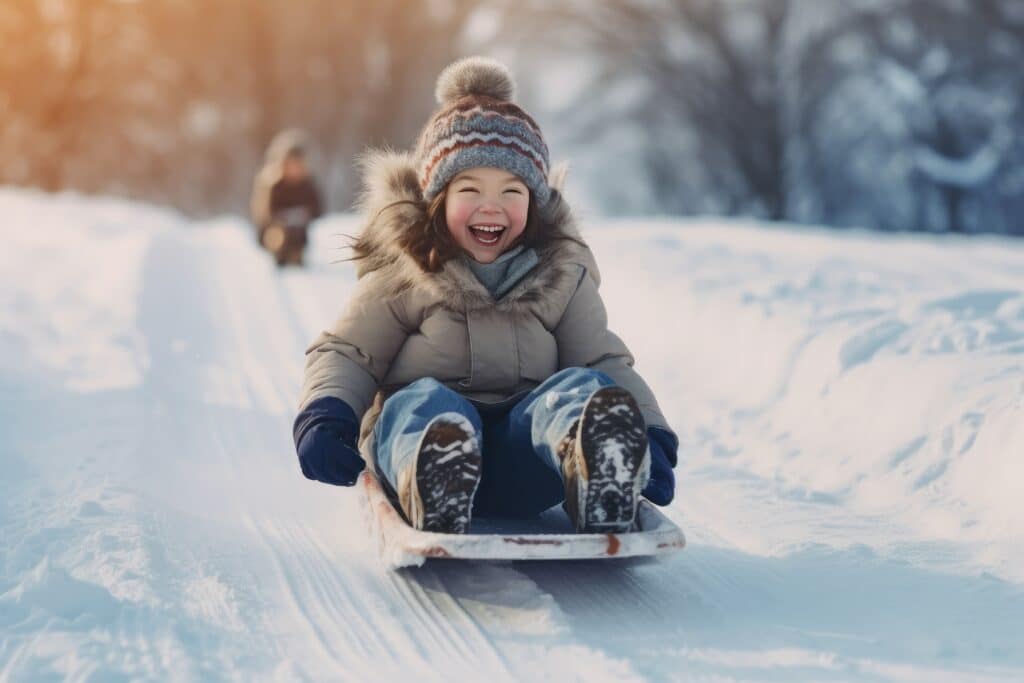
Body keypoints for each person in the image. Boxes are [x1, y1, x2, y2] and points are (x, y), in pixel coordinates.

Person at [292, 57, 678, 534]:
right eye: (470, 188)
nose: (491, 206)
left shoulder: (561, 273)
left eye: (512, 191)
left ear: (533, 204)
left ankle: (600, 463)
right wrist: (326, 413)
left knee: (580, 388)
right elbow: (348, 351)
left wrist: (648, 430)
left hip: (524, 461)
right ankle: (437, 475)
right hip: (424, 450)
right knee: (419, 403)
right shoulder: (406, 271)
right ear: (438, 200)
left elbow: (602, 357)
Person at [250, 129, 323, 267]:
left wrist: (303, 214)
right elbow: (265, 215)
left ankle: (296, 253)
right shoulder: (274, 185)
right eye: (291, 164)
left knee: (297, 235)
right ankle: (280, 253)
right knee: (278, 235)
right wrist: (283, 218)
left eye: (298, 164)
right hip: (276, 232)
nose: (294, 169)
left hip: (299, 232)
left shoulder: (308, 185)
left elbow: (318, 209)